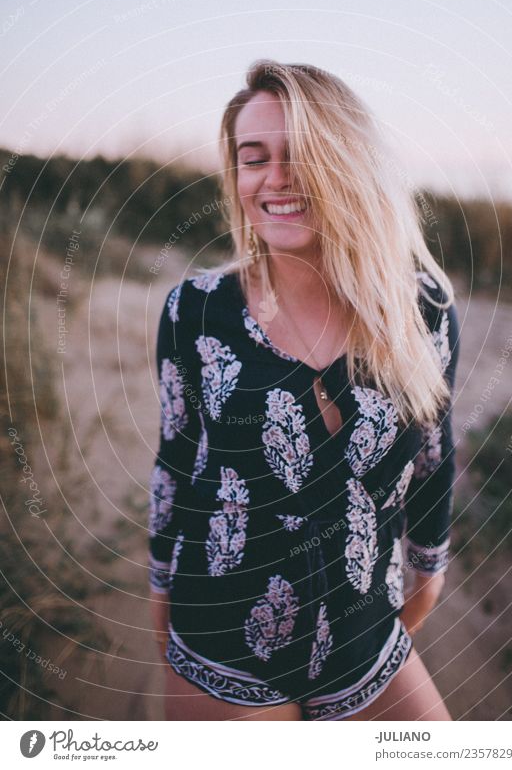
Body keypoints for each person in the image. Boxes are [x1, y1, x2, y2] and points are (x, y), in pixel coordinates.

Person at [149, 60, 460, 721]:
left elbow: (435, 456)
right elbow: (175, 461)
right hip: (221, 648)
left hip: (366, 643)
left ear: (347, 163)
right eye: (252, 157)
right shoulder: (194, 310)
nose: (275, 178)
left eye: (302, 155)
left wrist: (426, 576)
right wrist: (159, 595)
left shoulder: (424, 311)